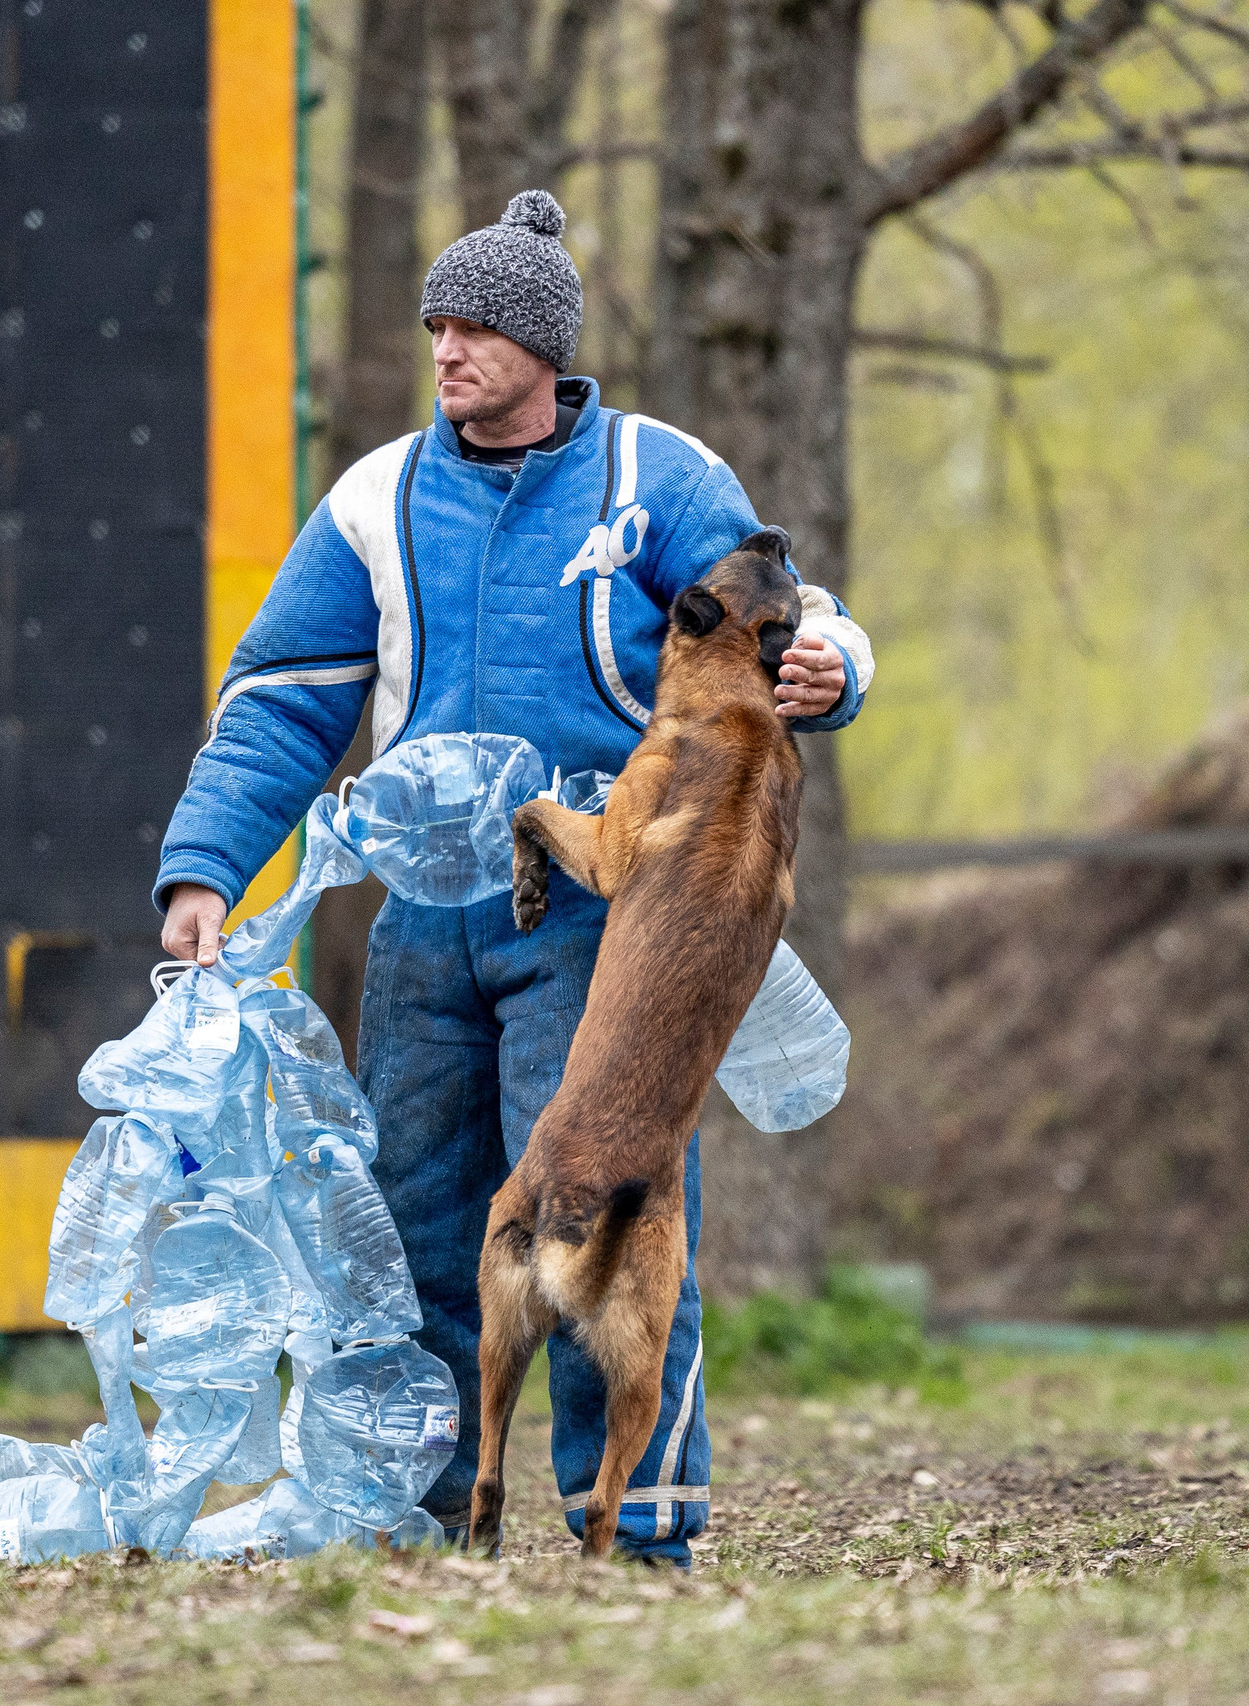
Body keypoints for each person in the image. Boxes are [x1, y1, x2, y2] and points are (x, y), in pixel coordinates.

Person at [153, 189, 873, 1563]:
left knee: (610, 1218)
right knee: (408, 1227)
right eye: (436, 324)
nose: (447, 348)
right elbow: (278, 705)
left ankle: (642, 1529)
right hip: (424, 929)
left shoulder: (659, 477)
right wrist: (203, 869)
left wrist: (838, 671)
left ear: (544, 348)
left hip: (603, 926)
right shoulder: (376, 497)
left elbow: (794, 617)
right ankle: (412, 1514)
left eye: (475, 327)